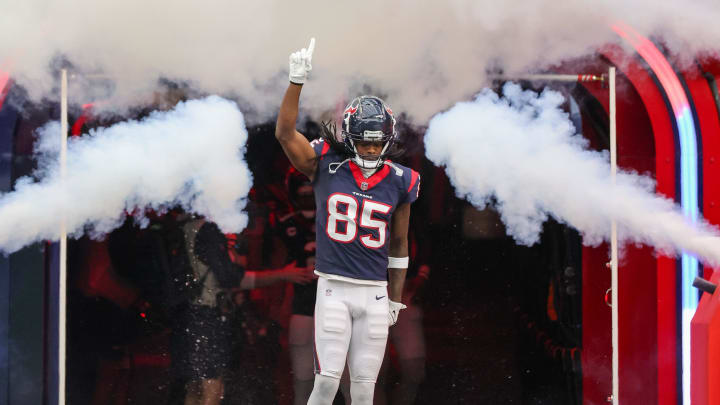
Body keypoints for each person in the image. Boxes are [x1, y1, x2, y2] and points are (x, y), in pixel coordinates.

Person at [275, 38, 421, 405]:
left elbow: (399, 243)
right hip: (333, 289)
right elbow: (284, 134)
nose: (371, 149)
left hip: (374, 292)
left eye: (377, 143)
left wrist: (396, 298)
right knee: (324, 385)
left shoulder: (403, 179)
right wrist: (296, 82)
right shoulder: (326, 162)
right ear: (350, 138)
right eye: (365, 142)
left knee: (364, 392)